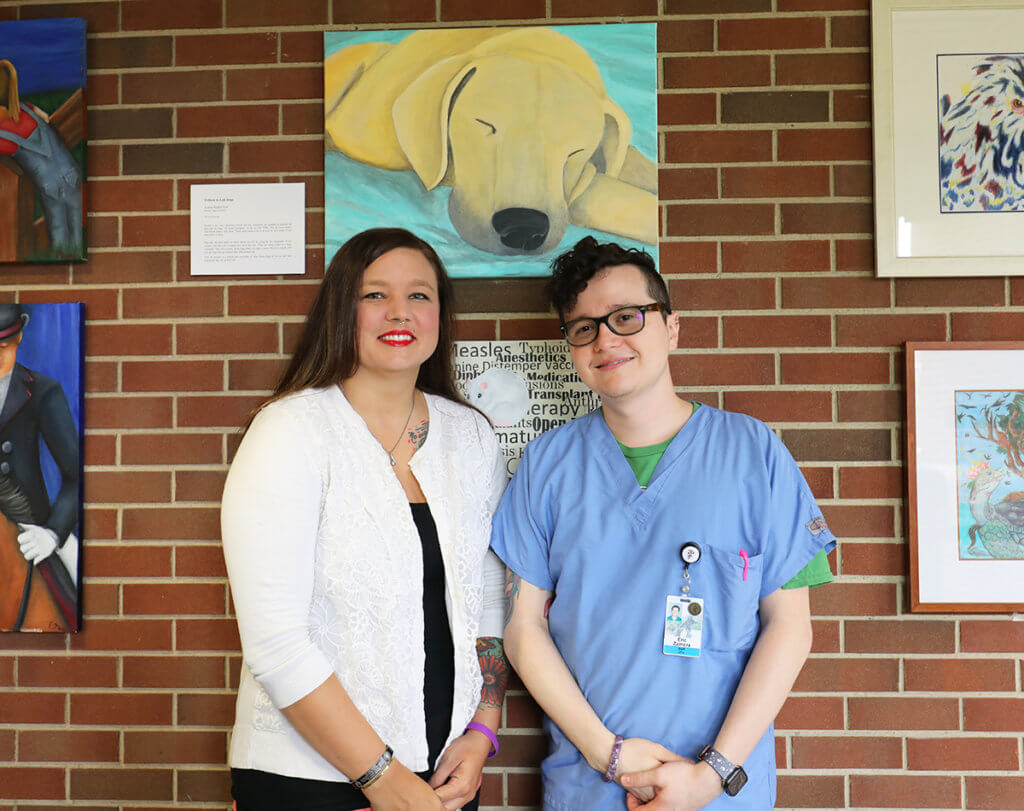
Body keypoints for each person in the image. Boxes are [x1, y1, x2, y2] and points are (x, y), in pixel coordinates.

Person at [492, 237, 834, 811]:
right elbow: (524, 630)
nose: (606, 339)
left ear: (670, 327)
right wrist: (610, 754)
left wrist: (712, 774)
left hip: (721, 792)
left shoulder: (753, 453)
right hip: (590, 785)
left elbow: (790, 628)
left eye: (626, 317)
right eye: (584, 328)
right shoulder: (547, 465)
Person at [221, 228, 509, 811]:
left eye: (419, 295)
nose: (398, 311)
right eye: (374, 294)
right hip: (310, 776)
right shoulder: (290, 431)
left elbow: (486, 599)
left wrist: (482, 731)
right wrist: (383, 779)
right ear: (341, 310)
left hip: (445, 772)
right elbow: (275, 642)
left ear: (441, 314)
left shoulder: (471, 438)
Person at [0, 303, 79, 631]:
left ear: (18, 338)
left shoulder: (44, 392)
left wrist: (52, 533)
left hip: (31, 525)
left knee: (73, 581)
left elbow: (76, 476)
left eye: (2, 348)